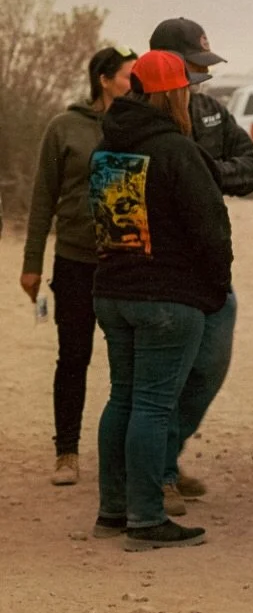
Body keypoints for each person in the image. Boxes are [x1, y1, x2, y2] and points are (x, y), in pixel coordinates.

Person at [90, 49, 232, 549]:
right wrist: (215, 288)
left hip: (113, 292)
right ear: (173, 94)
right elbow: (211, 231)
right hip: (167, 300)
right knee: (152, 406)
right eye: (185, 91)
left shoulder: (105, 148)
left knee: (122, 399)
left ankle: (112, 511)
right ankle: (147, 519)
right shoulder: (177, 151)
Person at [147, 17, 253, 513]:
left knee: (208, 365)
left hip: (208, 262)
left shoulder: (211, 112)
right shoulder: (140, 115)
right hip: (158, 267)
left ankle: (165, 457)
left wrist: (207, 172)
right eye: (195, 63)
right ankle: (156, 476)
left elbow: (252, 167)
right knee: (160, 378)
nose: (202, 73)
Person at [21, 47, 137, 485]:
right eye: (128, 76)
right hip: (74, 260)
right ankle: (66, 453)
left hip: (125, 263)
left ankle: (133, 455)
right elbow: (42, 199)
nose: (135, 84)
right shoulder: (64, 128)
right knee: (73, 356)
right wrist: (32, 263)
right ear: (104, 80)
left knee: (131, 361)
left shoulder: (139, 127)